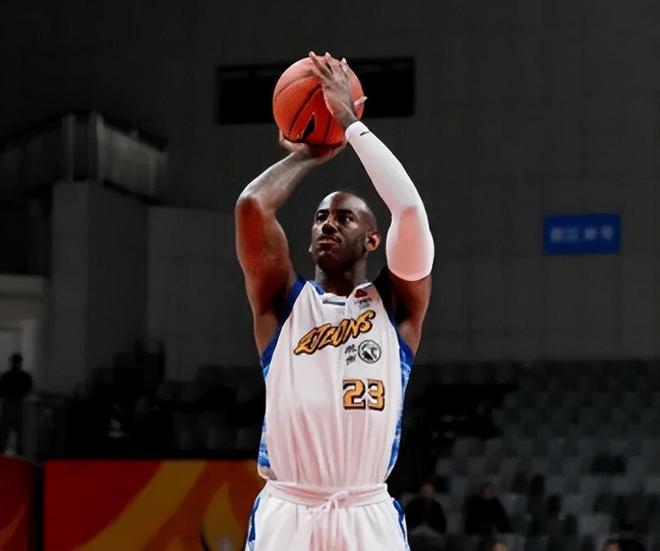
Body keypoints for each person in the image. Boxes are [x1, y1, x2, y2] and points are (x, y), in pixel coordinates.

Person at [235, 51, 434, 551]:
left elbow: (410, 211)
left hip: (366, 513)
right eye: (321, 218)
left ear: (373, 239)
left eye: (345, 218)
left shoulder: (396, 307)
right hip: (289, 510)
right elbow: (252, 206)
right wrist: (308, 154)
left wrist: (347, 122)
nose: (328, 224)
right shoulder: (283, 303)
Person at [0, 353, 33, 454]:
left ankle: (2, 451)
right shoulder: (25, 377)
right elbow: (28, 388)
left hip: (8, 403)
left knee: (5, 430)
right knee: (20, 430)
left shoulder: (6, 376)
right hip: (19, 404)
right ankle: (19, 451)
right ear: (20, 363)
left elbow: (1, 390)